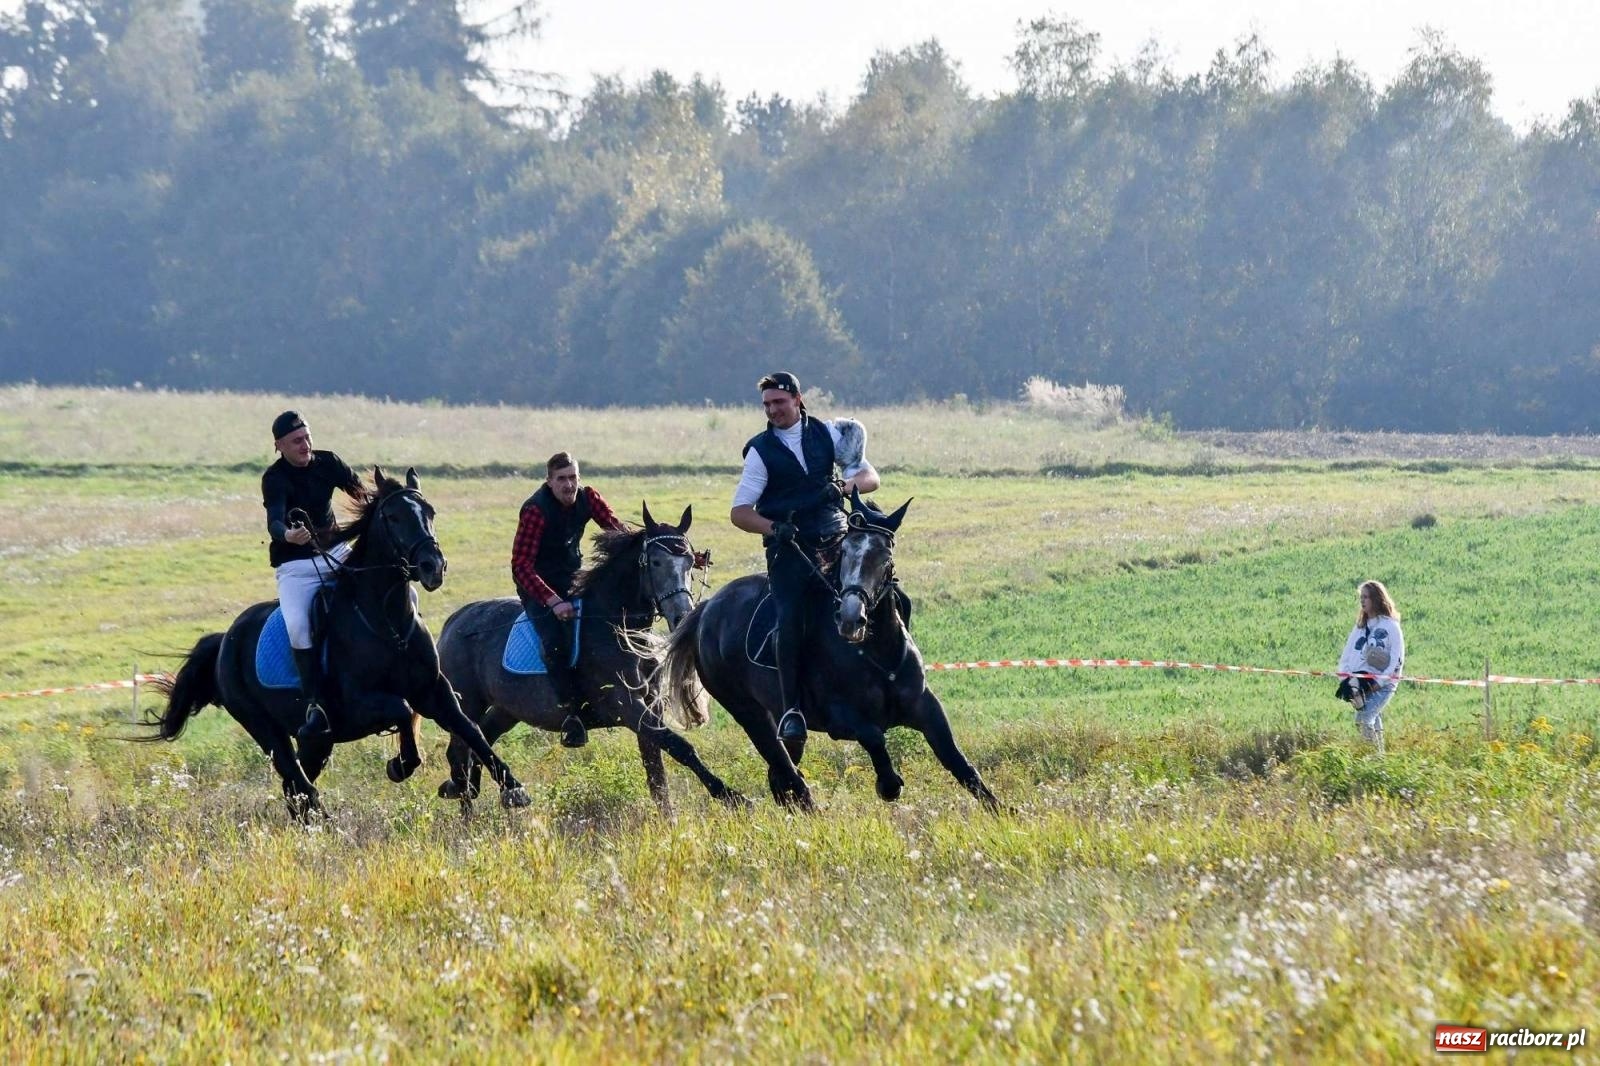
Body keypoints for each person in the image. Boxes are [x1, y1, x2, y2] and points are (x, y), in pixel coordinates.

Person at [731, 371, 879, 745]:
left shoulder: (830, 434)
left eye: (779, 402)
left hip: (836, 539)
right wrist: (773, 528)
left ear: (798, 398)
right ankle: (793, 709)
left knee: (885, 592)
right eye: (767, 405)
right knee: (791, 618)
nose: (773, 410)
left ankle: (896, 675)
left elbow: (870, 477)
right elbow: (740, 513)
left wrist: (842, 488)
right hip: (789, 550)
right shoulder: (760, 452)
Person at [261, 410, 367, 740]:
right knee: (297, 627)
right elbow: (274, 522)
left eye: (307, 437)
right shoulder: (274, 478)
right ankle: (315, 704)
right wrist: (287, 536)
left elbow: (362, 493)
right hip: (296, 569)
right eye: (296, 441)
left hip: (336, 554)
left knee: (392, 590)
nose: (305, 445)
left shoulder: (328, 461)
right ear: (279, 445)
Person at [511, 451, 625, 748]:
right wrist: (552, 601)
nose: (569, 485)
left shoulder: (589, 498)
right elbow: (521, 566)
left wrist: (668, 549)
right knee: (555, 642)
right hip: (538, 585)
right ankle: (571, 715)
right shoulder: (535, 510)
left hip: (573, 578)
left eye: (573, 477)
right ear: (549, 482)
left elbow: (619, 533)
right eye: (561, 479)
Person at [1336, 580, 1405, 752]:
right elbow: (1347, 653)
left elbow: (1397, 660)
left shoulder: (1391, 627)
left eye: (1366, 597)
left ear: (1376, 598)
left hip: (1384, 685)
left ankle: (1373, 759)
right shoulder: (1359, 627)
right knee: (1373, 720)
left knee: (1363, 718)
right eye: (1361, 597)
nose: (1362, 601)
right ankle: (1380, 762)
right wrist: (1346, 679)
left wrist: (1378, 684)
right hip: (1359, 684)